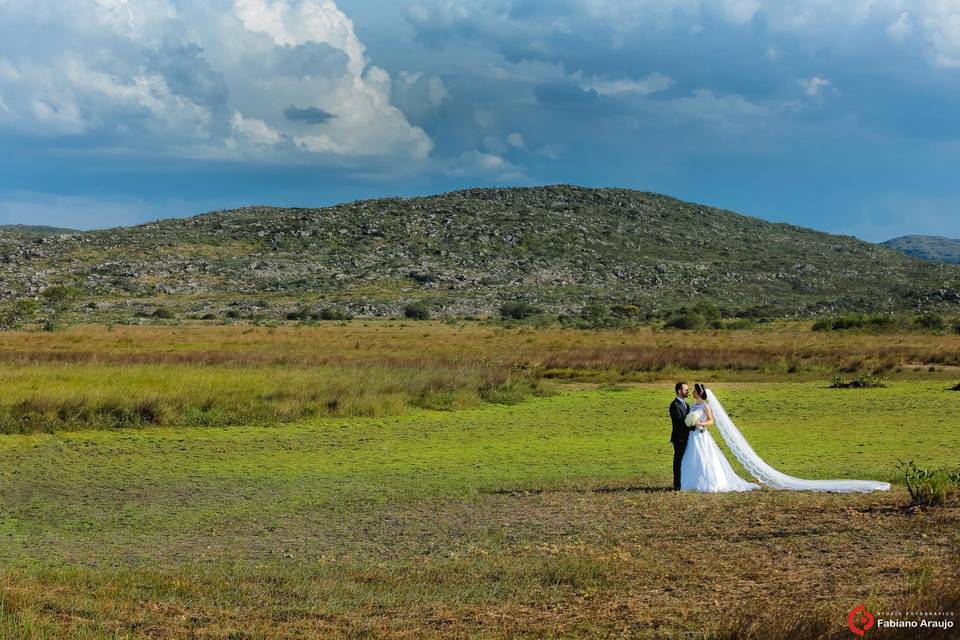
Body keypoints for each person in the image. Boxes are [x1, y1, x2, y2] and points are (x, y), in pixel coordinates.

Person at [668, 382, 692, 490]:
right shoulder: (674, 405)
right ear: (679, 391)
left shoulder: (686, 404)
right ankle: (677, 485)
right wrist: (693, 425)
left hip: (687, 437)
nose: (688, 391)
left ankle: (685, 483)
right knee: (678, 461)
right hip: (679, 438)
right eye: (686, 389)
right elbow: (679, 422)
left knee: (686, 461)